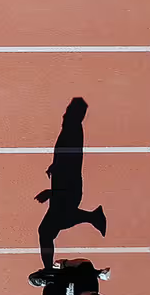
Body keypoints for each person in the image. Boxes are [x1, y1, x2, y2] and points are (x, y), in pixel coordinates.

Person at [36, 98, 108, 269]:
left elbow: (70, 165)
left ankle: (48, 272)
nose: (64, 113)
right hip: (65, 189)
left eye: (69, 110)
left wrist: (51, 193)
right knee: (53, 227)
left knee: (46, 232)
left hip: (67, 192)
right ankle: (93, 217)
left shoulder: (72, 132)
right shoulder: (70, 130)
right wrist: (54, 166)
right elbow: (67, 159)